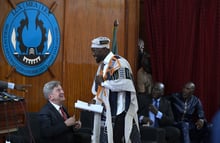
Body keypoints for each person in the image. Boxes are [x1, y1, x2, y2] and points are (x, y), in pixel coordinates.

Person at [90, 36, 141, 143]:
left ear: (104, 49)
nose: (93, 54)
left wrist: (103, 83)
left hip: (119, 114)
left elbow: (125, 84)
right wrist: (96, 98)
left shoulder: (119, 63)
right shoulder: (103, 65)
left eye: (95, 51)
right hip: (105, 113)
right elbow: (100, 89)